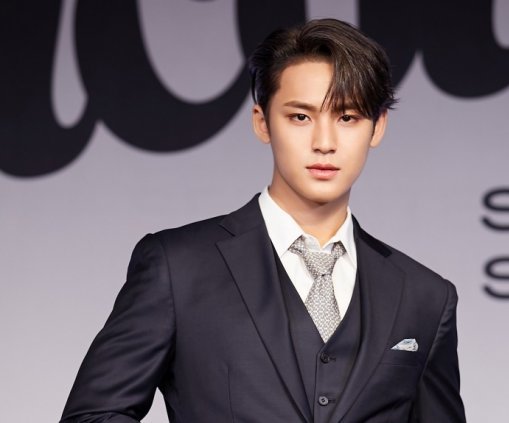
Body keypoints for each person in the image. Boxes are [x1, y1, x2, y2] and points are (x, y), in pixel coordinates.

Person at [61, 18, 466, 422]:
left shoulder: (425, 297)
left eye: (347, 117)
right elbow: (92, 416)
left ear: (377, 127)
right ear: (262, 122)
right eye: (301, 117)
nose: (325, 143)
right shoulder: (178, 267)